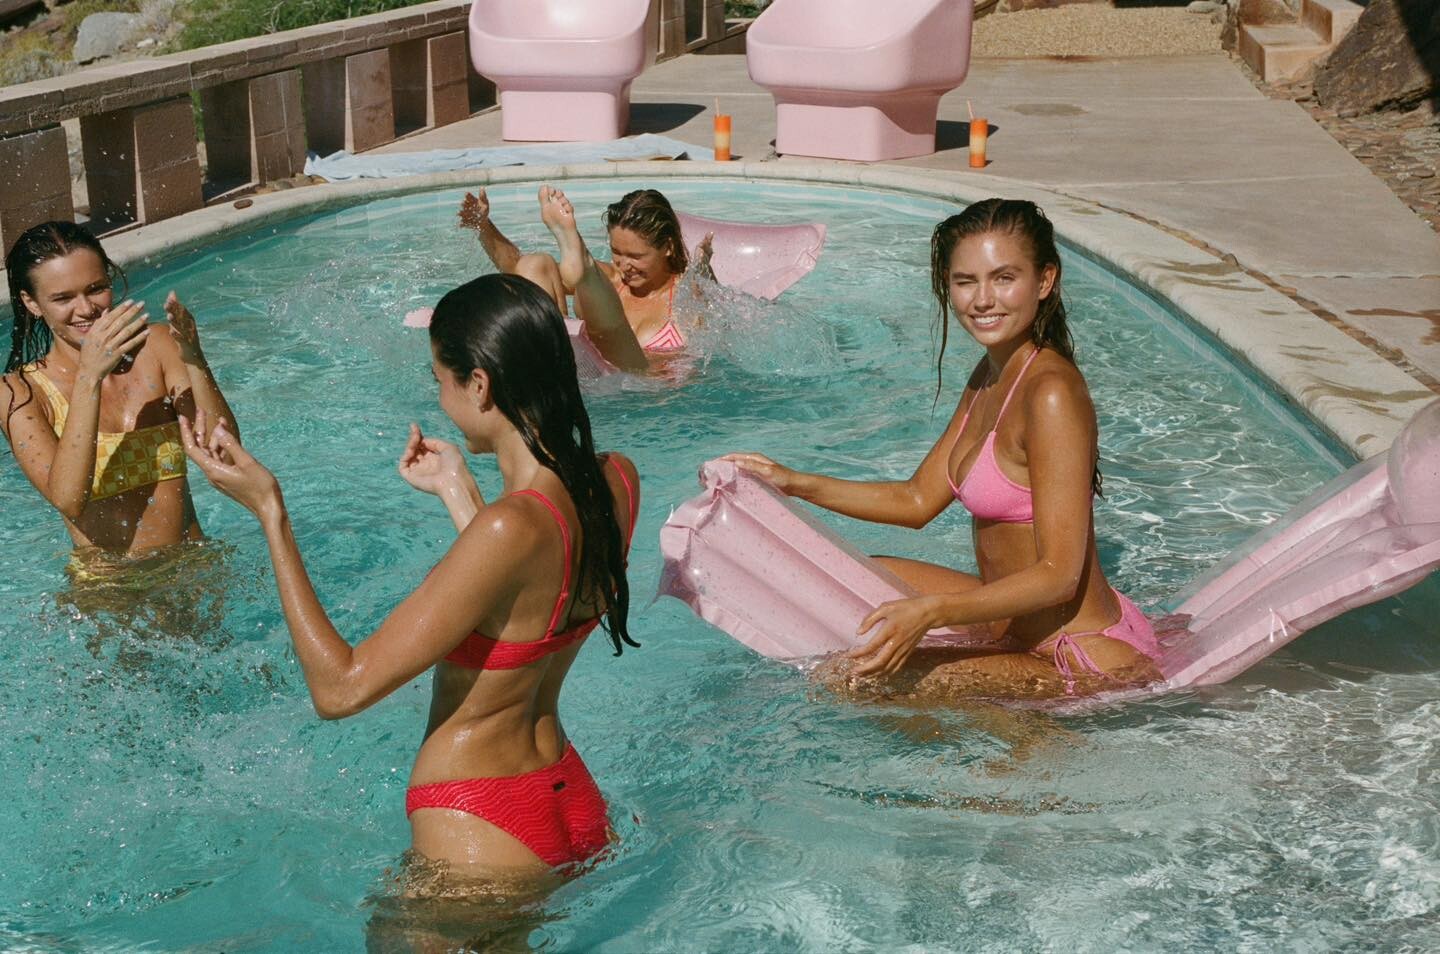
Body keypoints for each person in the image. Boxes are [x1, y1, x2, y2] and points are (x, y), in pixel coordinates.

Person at [179, 273, 641, 884]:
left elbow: (339, 689)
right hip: (570, 795)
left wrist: (270, 511)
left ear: (480, 384)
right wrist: (457, 490)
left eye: (440, 381)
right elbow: (528, 602)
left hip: (479, 816)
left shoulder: (507, 528)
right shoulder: (617, 481)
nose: (440, 399)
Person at [725, 199, 1160, 698]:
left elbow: (1060, 576)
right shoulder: (990, 375)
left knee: (860, 682)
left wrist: (932, 612)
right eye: (965, 281)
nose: (983, 300)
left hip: (1075, 654)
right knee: (847, 580)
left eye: (1004, 278)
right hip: (1012, 625)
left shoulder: (1052, 393)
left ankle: (1028, 736)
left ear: (1044, 281)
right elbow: (916, 500)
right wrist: (792, 481)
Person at [2, 221, 239, 557]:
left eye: (96, 288)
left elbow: (227, 456)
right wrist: (89, 378)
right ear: (32, 303)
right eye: (63, 298)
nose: (86, 309)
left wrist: (194, 359)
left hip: (194, 567)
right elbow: (69, 500)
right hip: (109, 583)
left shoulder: (157, 348)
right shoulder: (20, 391)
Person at [460, 185, 713, 371]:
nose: (625, 266)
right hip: (586, 378)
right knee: (536, 265)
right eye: (616, 252)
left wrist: (705, 277)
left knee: (599, 304)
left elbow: (717, 323)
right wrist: (484, 226)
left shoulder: (686, 294)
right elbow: (517, 268)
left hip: (645, 388)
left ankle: (580, 256)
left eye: (636, 256)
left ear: (668, 247)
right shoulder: (613, 278)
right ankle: (579, 259)